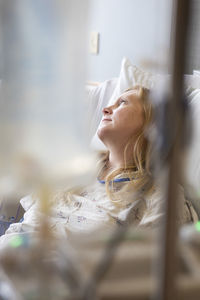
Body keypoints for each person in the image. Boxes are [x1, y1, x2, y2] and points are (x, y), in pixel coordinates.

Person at [0, 86, 197, 246]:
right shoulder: (74, 170)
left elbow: (154, 269)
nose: (105, 109)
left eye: (122, 103)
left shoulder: (159, 196)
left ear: (152, 124)